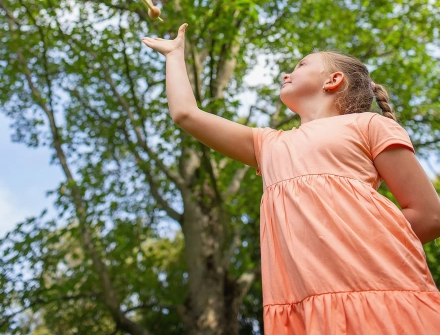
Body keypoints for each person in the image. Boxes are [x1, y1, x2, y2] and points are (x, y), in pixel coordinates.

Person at [142, 23, 440, 334]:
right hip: (302, 307)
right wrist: (175, 55)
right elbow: (186, 114)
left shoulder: (368, 125)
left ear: (333, 80)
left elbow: (429, 215)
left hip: (377, 292)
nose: (286, 74)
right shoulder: (269, 144)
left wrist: (357, 243)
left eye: (300, 65)